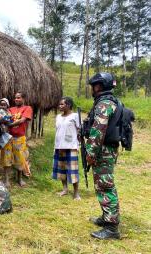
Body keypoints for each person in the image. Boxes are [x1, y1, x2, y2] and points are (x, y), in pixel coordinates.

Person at [85, 72, 121, 240]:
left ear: (99, 86)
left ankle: (112, 228)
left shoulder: (104, 104)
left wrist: (90, 152)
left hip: (102, 151)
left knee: (105, 186)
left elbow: (98, 130)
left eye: (93, 86)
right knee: (102, 185)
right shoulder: (109, 102)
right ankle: (106, 217)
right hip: (106, 149)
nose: (92, 89)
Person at [1, 92, 32, 187]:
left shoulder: (27, 108)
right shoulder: (11, 109)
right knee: (6, 157)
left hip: (19, 138)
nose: (16, 99)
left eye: (18, 98)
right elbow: (4, 117)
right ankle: (6, 180)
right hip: (8, 137)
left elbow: (22, 120)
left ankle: (19, 179)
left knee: (20, 158)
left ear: (23, 99)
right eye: (15, 98)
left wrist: (10, 124)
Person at [52, 97, 81, 200]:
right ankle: (65, 189)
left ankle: (76, 193)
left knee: (73, 170)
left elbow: (79, 131)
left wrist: (78, 144)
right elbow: (58, 131)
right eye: (59, 104)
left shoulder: (75, 116)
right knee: (61, 169)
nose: (60, 106)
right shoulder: (58, 117)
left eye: (62, 104)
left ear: (68, 105)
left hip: (71, 147)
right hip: (59, 146)